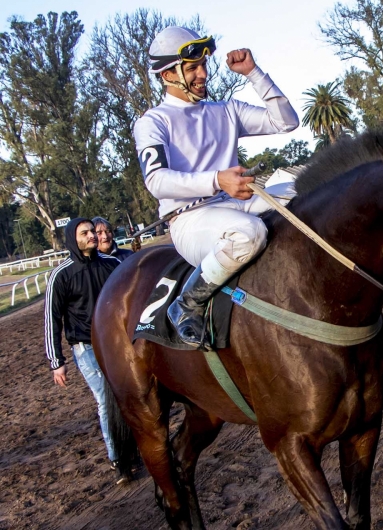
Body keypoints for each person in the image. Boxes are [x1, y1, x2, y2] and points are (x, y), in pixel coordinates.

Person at [133, 27, 299, 347]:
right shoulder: (152, 122)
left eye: (203, 65)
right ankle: (187, 304)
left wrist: (253, 73)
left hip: (238, 203)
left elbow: (286, 122)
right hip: (190, 219)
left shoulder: (226, 110)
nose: (203, 74)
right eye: (193, 67)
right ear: (168, 73)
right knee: (250, 234)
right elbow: (156, 180)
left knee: (304, 194)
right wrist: (216, 180)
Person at [44, 218, 125, 481]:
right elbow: (52, 319)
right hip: (85, 348)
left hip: (117, 343)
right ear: (73, 239)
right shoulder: (61, 274)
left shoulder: (112, 264)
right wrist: (56, 361)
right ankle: (117, 457)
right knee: (106, 399)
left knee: (129, 395)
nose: (93, 235)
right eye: (86, 233)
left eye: (93, 231)